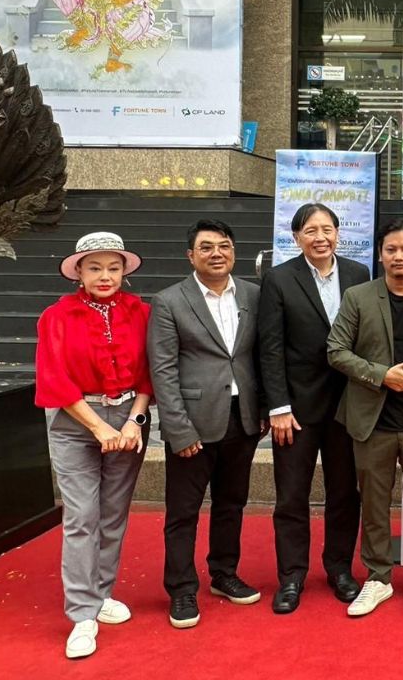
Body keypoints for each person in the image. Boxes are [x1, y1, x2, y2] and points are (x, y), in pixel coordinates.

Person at [36, 232, 152, 659]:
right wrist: (99, 428)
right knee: (82, 516)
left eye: (113, 268)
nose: (105, 276)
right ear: (78, 273)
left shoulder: (142, 312)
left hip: (129, 420)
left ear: (124, 272)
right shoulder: (56, 316)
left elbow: (150, 371)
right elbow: (53, 376)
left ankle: (101, 592)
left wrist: (135, 420)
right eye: (95, 268)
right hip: (75, 421)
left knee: (113, 513)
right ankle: (82, 613)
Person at [327, 218, 403, 618]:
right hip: (372, 421)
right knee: (374, 504)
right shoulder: (358, 297)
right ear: (380, 255)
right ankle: (378, 577)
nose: (399, 256)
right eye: (391, 249)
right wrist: (382, 375)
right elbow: (336, 351)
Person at [148, 219, 266, 629]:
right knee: (183, 512)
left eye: (224, 246)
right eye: (207, 247)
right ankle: (181, 589)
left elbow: (260, 356)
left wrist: (261, 409)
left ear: (233, 251)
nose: (217, 253)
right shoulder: (169, 301)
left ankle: (224, 573)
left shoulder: (252, 294)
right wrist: (178, 429)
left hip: (242, 417)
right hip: (193, 424)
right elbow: (163, 370)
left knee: (231, 503)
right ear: (191, 255)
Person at [258, 203, 370, 614]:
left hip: (347, 405)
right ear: (297, 237)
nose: (320, 237)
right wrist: (278, 406)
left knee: (345, 493)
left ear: (338, 233)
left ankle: (339, 569)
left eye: (327, 229)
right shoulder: (279, 279)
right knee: (291, 496)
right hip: (296, 409)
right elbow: (270, 348)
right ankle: (291, 576)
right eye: (310, 230)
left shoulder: (358, 274)